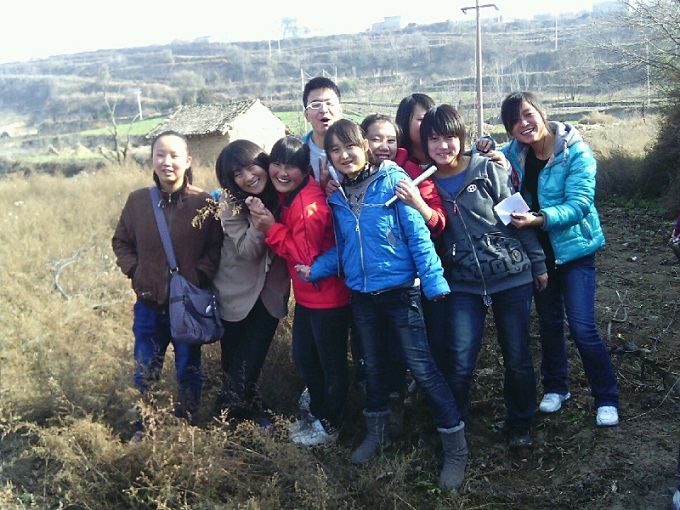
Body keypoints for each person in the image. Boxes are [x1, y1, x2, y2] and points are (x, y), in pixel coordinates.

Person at [295, 119, 468, 490]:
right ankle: (377, 433)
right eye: (335, 150)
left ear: (365, 147)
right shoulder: (338, 196)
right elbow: (344, 248)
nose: (344, 155)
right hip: (363, 297)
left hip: (401, 294)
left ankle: (455, 447)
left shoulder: (392, 181)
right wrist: (316, 269)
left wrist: (434, 282)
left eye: (350, 146)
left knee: (423, 369)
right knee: (372, 367)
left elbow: (418, 236)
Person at [478, 91, 620, 427]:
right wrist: (485, 146)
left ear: (542, 113)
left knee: (582, 327)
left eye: (528, 114)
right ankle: (557, 387)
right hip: (539, 255)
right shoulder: (515, 152)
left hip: (574, 251)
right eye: (514, 121)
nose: (523, 124)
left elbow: (580, 204)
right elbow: (486, 158)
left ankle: (606, 397)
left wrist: (539, 219)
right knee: (549, 322)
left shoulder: (575, 152)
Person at [420, 104, 548, 447]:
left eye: (450, 137)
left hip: (511, 276)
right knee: (461, 359)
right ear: (425, 143)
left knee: (517, 357)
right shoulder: (425, 184)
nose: (443, 146)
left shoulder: (486, 169)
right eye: (434, 139)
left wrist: (537, 263)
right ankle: (455, 426)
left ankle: (520, 424)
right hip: (462, 284)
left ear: (461, 137)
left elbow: (517, 217)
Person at [112, 130, 223, 441]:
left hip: (187, 306)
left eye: (174, 155)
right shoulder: (138, 201)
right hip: (148, 304)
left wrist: (199, 276)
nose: (167, 162)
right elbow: (121, 241)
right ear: (152, 160)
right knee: (144, 372)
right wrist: (135, 271)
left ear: (188, 161)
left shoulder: (203, 202)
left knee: (188, 370)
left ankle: (185, 427)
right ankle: (143, 427)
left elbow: (215, 247)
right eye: (160, 155)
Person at [247, 135, 351, 446]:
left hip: (327, 296)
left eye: (290, 167)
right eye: (276, 164)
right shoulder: (291, 194)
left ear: (305, 170)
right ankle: (318, 413)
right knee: (305, 358)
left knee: (330, 364)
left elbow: (305, 257)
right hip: (309, 296)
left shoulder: (309, 206)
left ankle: (330, 425)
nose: (281, 172)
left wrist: (271, 229)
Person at [357, 113, 447, 437]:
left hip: (405, 285)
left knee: (419, 361)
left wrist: (434, 283)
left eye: (391, 140)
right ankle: (384, 425)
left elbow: (428, 230)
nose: (384, 146)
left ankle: (447, 430)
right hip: (364, 291)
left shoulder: (405, 175)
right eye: (375, 139)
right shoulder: (348, 183)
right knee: (375, 361)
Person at [211, 139, 291, 425]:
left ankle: (239, 413)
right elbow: (247, 250)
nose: (247, 177)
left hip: (270, 294)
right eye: (237, 174)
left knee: (252, 358)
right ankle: (229, 419)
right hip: (235, 293)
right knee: (235, 362)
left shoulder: (283, 192)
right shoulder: (229, 203)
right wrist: (260, 223)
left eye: (251, 167)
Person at [301, 76, 343, 188]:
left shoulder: (356, 149)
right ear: (306, 115)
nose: (324, 110)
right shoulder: (296, 153)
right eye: (315, 105)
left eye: (329, 104)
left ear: (340, 111)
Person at [395, 93, 436, 168]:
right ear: (405, 122)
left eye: (432, 118)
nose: (429, 124)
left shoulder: (446, 160)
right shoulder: (393, 162)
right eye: (422, 119)